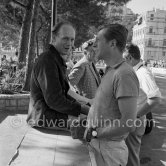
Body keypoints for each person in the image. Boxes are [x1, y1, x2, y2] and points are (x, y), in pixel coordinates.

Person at [81, 24, 139, 166]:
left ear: (112, 43)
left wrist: (95, 132)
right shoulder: (111, 70)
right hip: (100, 145)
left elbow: (128, 123)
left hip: (109, 151)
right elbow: (106, 104)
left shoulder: (124, 74)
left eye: (98, 40)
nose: (94, 44)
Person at [27, 21, 89, 129]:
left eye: (72, 39)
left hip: (48, 114)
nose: (69, 43)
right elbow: (55, 101)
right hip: (44, 117)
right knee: (95, 122)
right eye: (65, 38)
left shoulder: (55, 59)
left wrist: (84, 106)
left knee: (94, 118)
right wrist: (85, 109)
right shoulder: (48, 60)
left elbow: (63, 94)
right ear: (54, 38)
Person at [123, 43, 161, 166]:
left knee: (131, 158)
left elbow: (155, 98)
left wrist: (136, 116)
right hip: (132, 120)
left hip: (134, 121)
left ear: (129, 58)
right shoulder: (137, 71)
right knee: (128, 155)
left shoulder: (143, 73)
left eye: (123, 59)